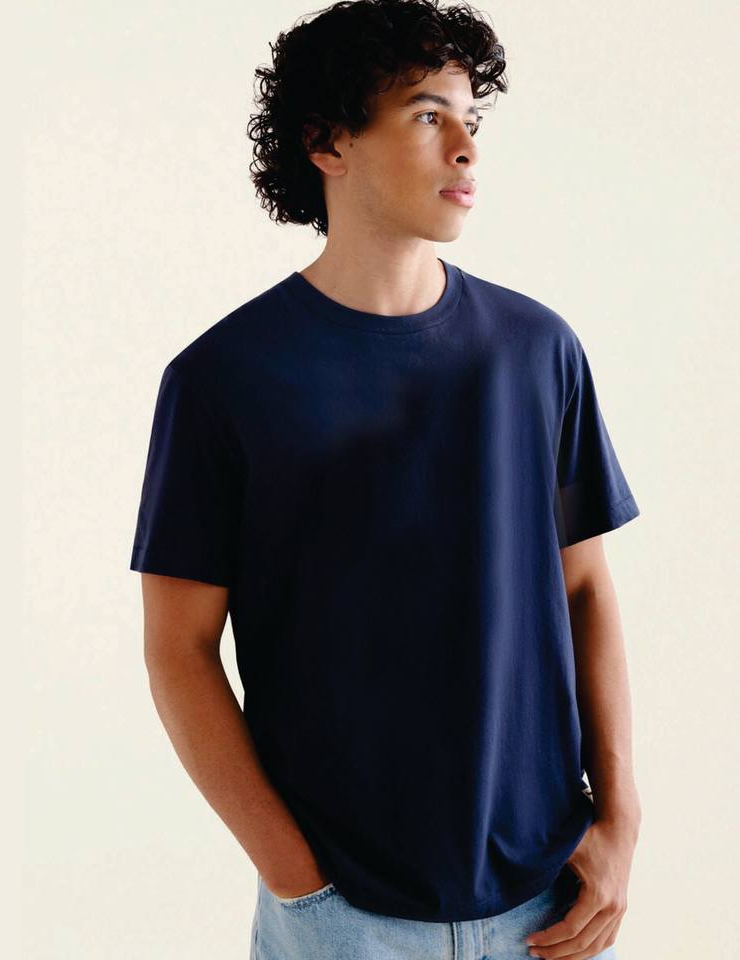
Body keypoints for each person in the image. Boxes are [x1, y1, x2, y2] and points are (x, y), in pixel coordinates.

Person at [129, 1, 642, 957]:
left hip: (550, 904)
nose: (466, 148)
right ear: (328, 143)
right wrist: (300, 882)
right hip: (342, 919)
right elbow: (178, 651)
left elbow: (585, 588)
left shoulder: (538, 351)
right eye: (426, 115)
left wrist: (620, 823)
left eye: (471, 120)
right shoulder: (223, 380)